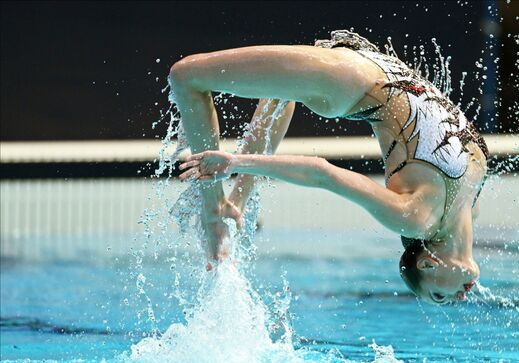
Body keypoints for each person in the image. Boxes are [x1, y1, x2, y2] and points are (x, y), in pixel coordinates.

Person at [169, 30, 488, 305]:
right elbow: (323, 172)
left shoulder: (417, 218)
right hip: (356, 75)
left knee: (186, 76)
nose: (457, 300)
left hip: (352, 80)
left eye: (440, 297)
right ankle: (221, 211)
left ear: (430, 265)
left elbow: (323, 174)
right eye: (438, 298)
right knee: (198, 78)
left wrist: (238, 164)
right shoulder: (464, 205)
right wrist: (237, 164)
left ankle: (219, 211)